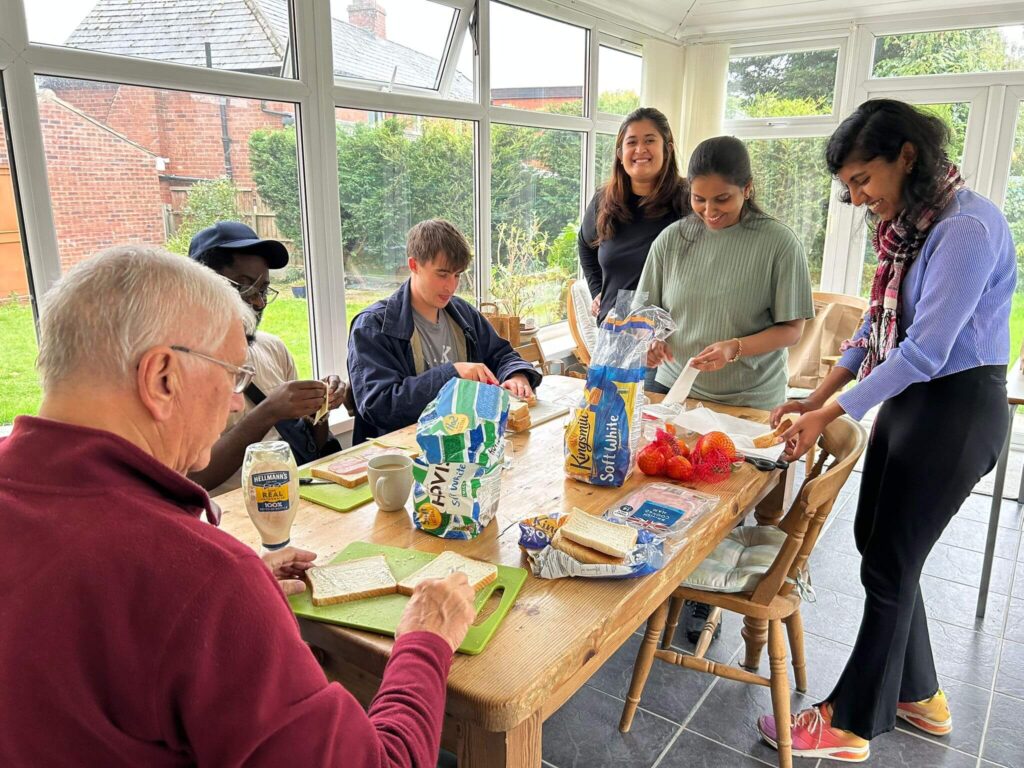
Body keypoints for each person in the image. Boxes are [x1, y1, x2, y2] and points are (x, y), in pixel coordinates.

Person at [0, 245, 477, 767]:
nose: (234, 399)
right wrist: (425, 638)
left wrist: (228, 604)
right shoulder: (199, 577)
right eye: (232, 375)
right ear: (162, 378)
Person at [758, 99, 1016, 762]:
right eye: (848, 186)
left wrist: (830, 415)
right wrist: (814, 399)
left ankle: (852, 722)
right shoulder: (909, 229)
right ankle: (920, 696)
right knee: (879, 546)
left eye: (862, 180)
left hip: (957, 408)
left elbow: (925, 351)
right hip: (915, 402)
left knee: (892, 563)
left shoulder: (966, 228)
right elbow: (876, 334)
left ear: (907, 156)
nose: (856, 197)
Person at [640, 135, 814, 644]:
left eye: (723, 199)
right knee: (670, 491)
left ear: (747, 189)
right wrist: (650, 339)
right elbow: (648, 313)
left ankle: (703, 594)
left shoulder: (778, 242)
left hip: (750, 402)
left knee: (726, 503)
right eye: (699, 199)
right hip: (678, 393)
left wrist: (736, 347)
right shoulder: (673, 239)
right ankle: (665, 579)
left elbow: (792, 329)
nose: (710, 211)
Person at [186, 221, 350, 494]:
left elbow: (314, 447)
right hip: (232, 513)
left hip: (297, 498)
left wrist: (319, 407)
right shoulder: (180, 370)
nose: (259, 303)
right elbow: (192, 480)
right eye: (245, 287)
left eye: (263, 290)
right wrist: (269, 411)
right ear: (201, 286)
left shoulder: (272, 348)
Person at [348, 218, 542, 444]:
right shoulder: (372, 326)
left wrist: (516, 375)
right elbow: (380, 405)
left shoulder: (462, 312)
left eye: (457, 275)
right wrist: (452, 374)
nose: (451, 286)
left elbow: (502, 355)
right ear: (414, 265)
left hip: (463, 444)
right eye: (442, 274)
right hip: (401, 454)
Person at [578, 107, 689, 323]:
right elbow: (585, 246)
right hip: (617, 329)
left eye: (649, 140)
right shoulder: (604, 200)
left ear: (667, 149)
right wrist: (598, 290)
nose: (640, 149)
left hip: (670, 332)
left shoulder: (688, 200)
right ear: (620, 154)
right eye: (631, 142)